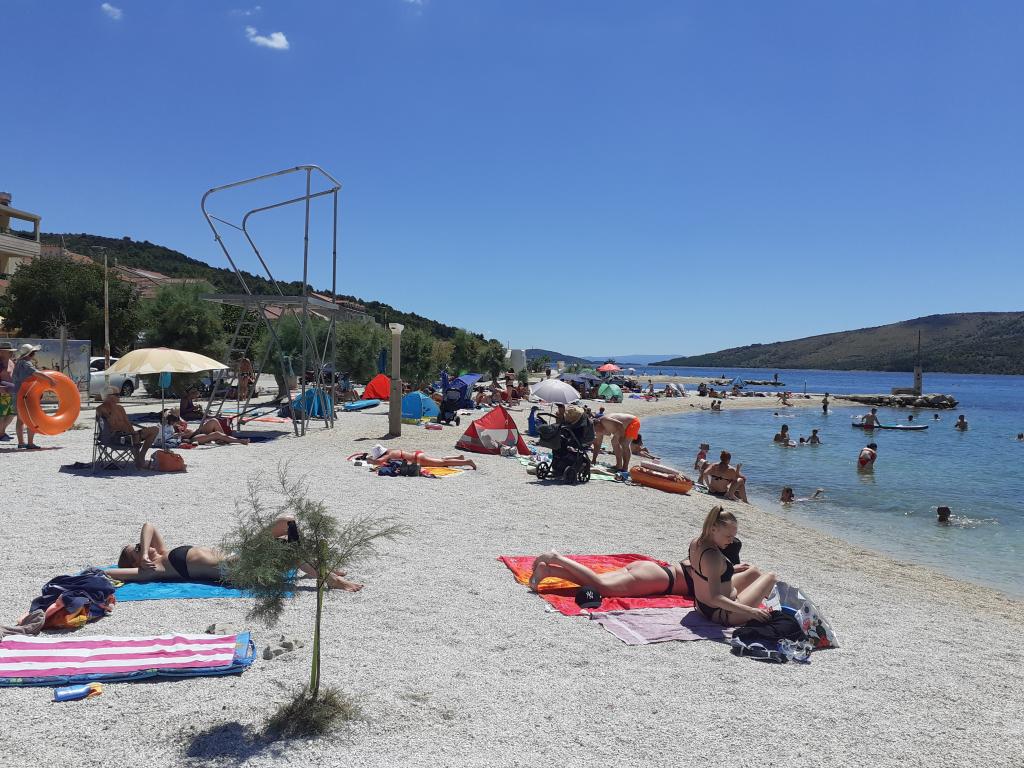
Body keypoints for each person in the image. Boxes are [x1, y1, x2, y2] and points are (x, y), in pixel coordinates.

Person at [106, 519, 362, 591]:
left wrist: (142, 551)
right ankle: (331, 580)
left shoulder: (161, 552)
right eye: (136, 550)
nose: (141, 546)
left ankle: (320, 569)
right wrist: (139, 565)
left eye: (138, 545)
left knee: (286, 523)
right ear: (134, 563)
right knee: (290, 551)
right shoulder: (155, 571)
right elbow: (109, 572)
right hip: (240, 570)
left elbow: (148, 525)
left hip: (241, 555)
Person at [683, 506, 777, 625]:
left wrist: (730, 569)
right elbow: (715, 598)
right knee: (771, 577)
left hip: (702, 606)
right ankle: (779, 608)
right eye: (728, 536)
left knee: (753, 571)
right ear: (713, 529)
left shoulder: (696, 542)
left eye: (733, 536)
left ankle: (772, 602)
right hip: (724, 614)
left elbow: (704, 572)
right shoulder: (712, 557)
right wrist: (751, 611)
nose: (731, 541)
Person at [96, 388, 160, 468]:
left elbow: (127, 423)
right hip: (115, 438)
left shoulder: (120, 408)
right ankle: (138, 462)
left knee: (155, 429)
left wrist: (133, 432)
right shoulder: (101, 409)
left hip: (128, 436)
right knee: (134, 436)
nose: (119, 397)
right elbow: (111, 425)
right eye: (116, 395)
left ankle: (141, 455)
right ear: (108, 397)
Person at [13, 344, 57, 450]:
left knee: (20, 419)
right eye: (34, 353)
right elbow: (35, 373)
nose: (34, 354)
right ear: (30, 354)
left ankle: (21, 442)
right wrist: (50, 379)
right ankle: (30, 443)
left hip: (17, 394)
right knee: (31, 419)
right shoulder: (26, 363)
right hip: (26, 395)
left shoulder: (18, 363)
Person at [367, 444, 477, 470]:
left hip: (418, 459)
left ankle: (467, 462)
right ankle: (459, 457)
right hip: (417, 455)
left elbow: (378, 462)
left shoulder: (389, 455)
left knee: (442, 463)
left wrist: (370, 460)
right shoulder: (390, 451)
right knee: (440, 461)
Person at [178, 414, 250, 446]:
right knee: (216, 434)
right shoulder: (173, 428)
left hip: (196, 431)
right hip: (192, 439)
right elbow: (176, 439)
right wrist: (181, 436)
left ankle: (223, 439)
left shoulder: (176, 421)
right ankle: (240, 441)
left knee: (213, 421)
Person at [0, 340, 16, 441]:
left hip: (11, 392)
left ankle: (2, 432)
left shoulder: (11, 362)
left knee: (11, 414)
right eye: (9, 351)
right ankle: (1, 434)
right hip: (2, 393)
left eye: (11, 351)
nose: (11, 353)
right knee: (1, 415)